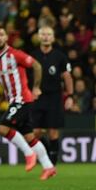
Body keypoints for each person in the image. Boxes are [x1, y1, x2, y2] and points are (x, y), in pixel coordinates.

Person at [0, 23, 56, 180]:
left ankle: (29, 154)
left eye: (1, 34)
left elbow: (36, 65)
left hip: (22, 99)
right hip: (13, 101)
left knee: (2, 128)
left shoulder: (15, 54)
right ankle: (49, 167)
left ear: (6, 37)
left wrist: (36, 87)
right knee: (29, 137)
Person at [31, 25, 73, 165]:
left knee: (53, 132)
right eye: (43, 34)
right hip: (37, 97)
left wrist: (70, 96)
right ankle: (47, 154)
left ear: (53, 38)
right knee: (35, 132)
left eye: (48, 34)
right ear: (38, 37)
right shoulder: (33, 56)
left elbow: (67, 76)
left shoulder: (60, 56)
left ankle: (53, 163)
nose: (46, 37)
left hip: (54, 97)